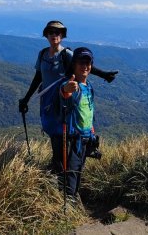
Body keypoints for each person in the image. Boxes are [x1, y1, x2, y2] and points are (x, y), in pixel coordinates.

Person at [18, 20, 117, 172]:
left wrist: (104, 74)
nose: (54, 35)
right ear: (46, 35)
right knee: (53, 133)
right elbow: (38, 77)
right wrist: (26, 99)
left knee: (60, 137)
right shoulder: (43, 54)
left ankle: (63, 171)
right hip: (47, 102)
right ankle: (60, 168)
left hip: (63, 101)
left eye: (57, 32)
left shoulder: (66, 54)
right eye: (51, 32)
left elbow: (84, 67)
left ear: (62, 35)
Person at [59, 47, 97, 200]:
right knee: (72, 172)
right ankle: (69, 202)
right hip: (74, 139)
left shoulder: (89, 87)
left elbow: (90, 112)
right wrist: (67, 89)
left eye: (88, 62)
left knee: (79, 169)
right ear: (74, 64)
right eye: (81, 62)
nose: (85, 66)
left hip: (87, 137)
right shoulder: (72, 85)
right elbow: (64, 92)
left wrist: (92, 132)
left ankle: (74, 197)